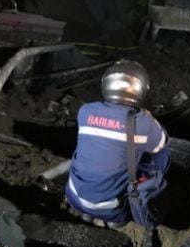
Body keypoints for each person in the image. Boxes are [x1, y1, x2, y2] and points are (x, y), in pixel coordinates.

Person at [65, 60, 170, 230]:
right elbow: (161, 143)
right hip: (111, 209)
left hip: (74, 194)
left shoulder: (85, 110)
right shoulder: (144, 122)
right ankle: (116, 224)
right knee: (161, 156)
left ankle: (87, 214)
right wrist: (149, 117)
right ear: (141, 90)